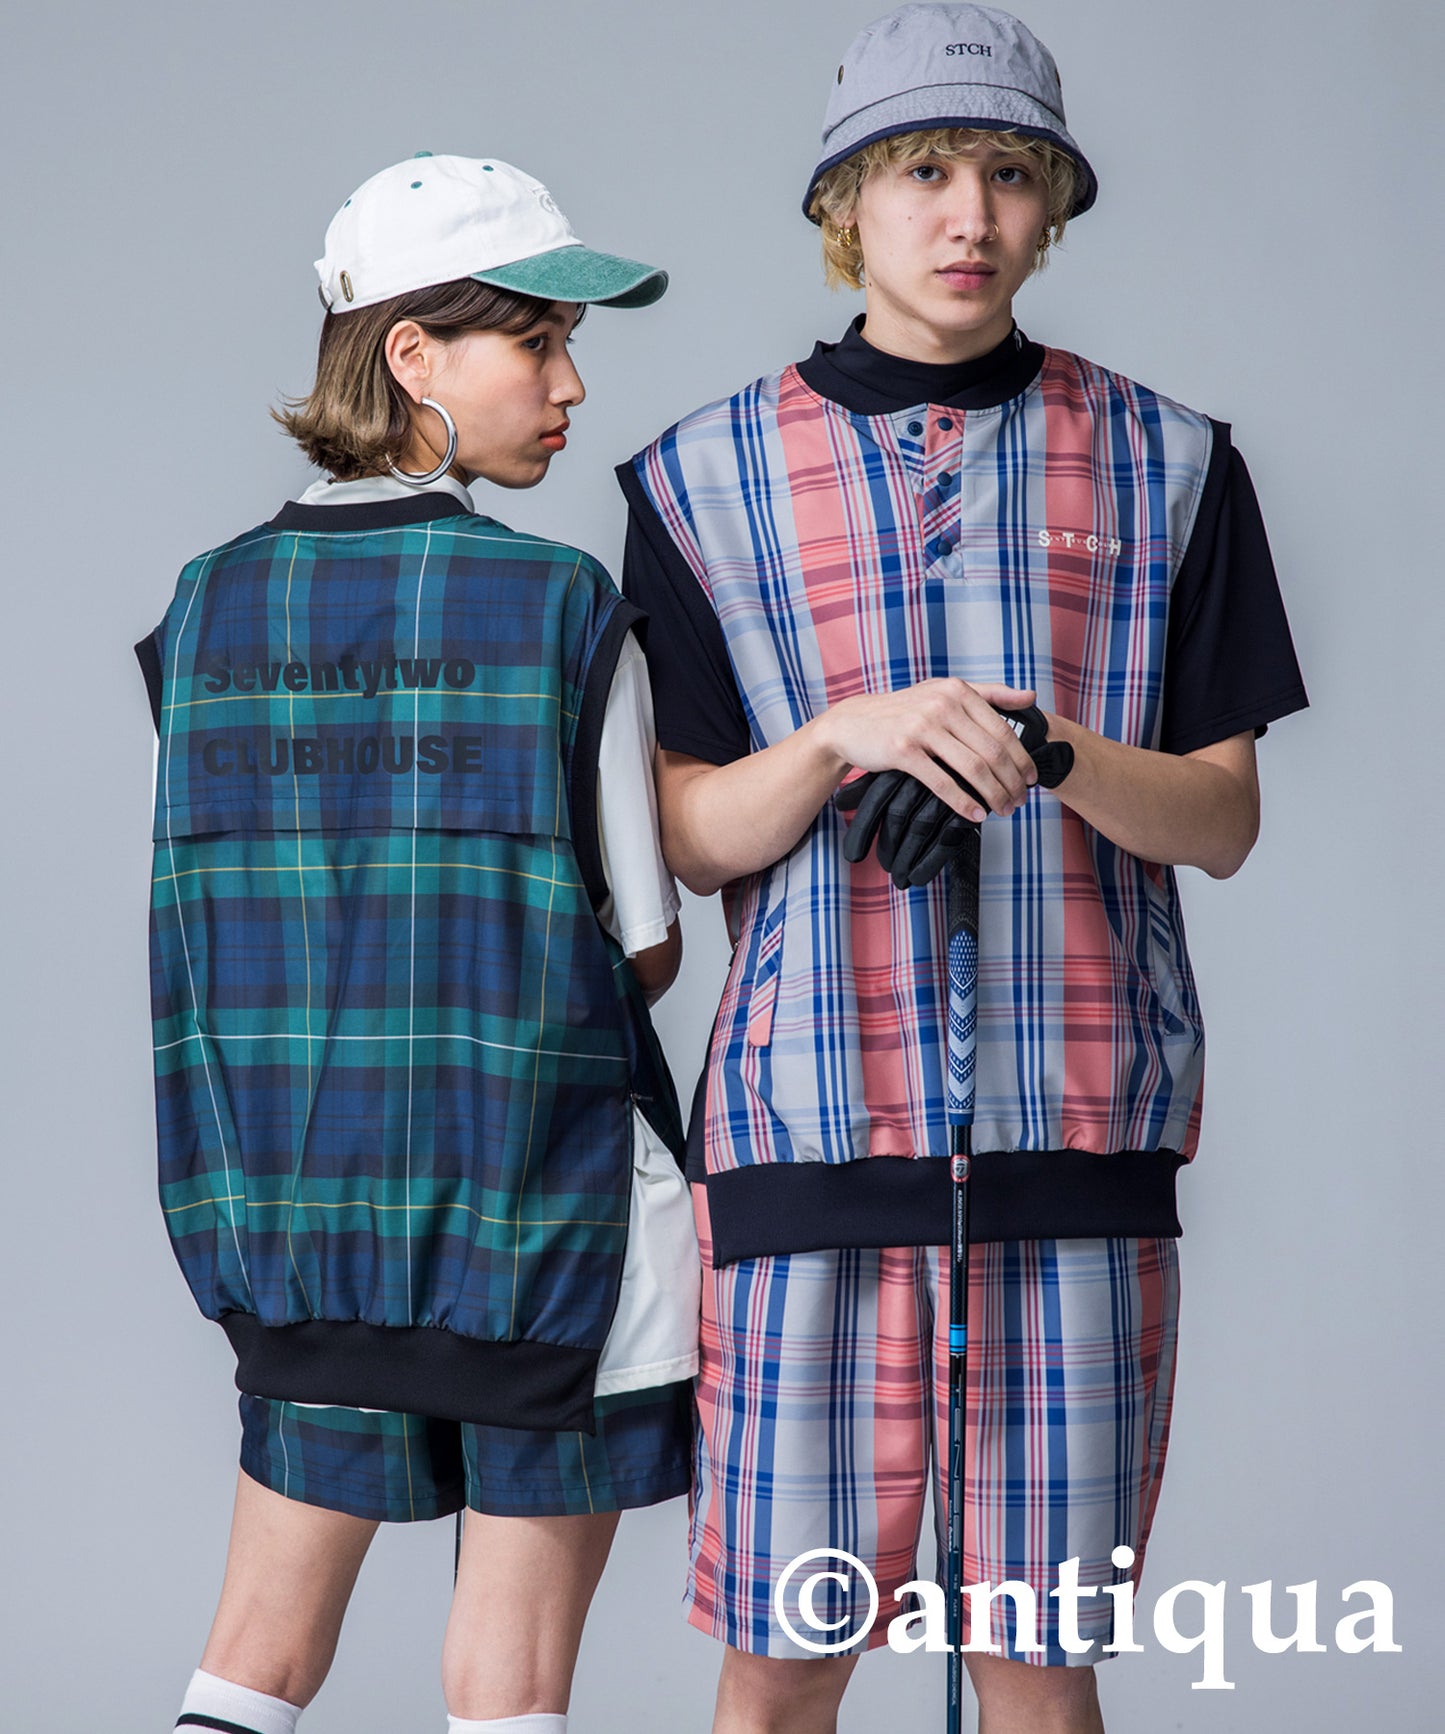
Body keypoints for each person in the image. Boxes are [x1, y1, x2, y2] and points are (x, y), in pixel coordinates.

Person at [617, 6, 1307, 1732]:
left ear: (1052, 204)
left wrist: (1047, 747)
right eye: (922, 169)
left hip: (1075, 1138)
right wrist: (843, 738)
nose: (968, 214)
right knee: (782, 1668)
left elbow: (1220, 819)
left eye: (1008, 172)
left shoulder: (1171, 462)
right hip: (807, 1141)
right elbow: (688, 832)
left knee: (1036, 1671)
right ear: (843, 202)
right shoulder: (698, 478)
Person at [138, 152, 699, 1734]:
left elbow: (234, 916)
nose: (571, 385)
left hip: (300, 1227)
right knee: (507, 1681)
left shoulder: (204, 608)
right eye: (537, 342)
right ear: (409, 354)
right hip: (546, 1222)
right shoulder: (560, 606)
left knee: (253, 1656)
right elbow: (643, 949)